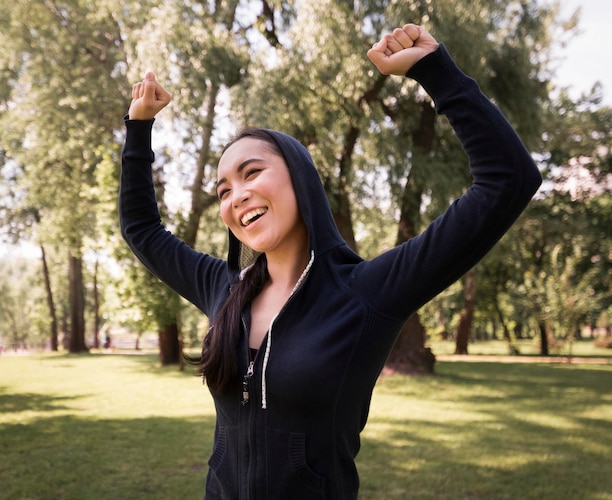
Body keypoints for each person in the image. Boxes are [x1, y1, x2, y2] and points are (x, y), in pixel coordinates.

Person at [120, 23, 541, 500]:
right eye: (223, 190)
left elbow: (507, 179)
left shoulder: (367, 294)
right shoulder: (223, 287)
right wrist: (138, 129)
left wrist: (435, 72)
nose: (237, 196)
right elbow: (142, 230)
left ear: (300, 179)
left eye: (252, 172)